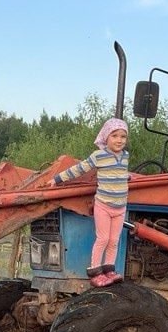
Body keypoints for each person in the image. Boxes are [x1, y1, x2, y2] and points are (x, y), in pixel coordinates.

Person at [52, 117, 130, 287]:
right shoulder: (99, 156)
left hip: (120, 207)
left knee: (114, 240)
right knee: (103, 239)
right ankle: (95, 272)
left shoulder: (125, 156)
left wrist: (126, 177)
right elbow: (79, 169)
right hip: (104, 205)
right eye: (114, 136)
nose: (119, 140)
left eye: (123, 136)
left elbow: (121, 173)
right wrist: (57, 179)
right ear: (106, 137)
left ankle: (109, 270)